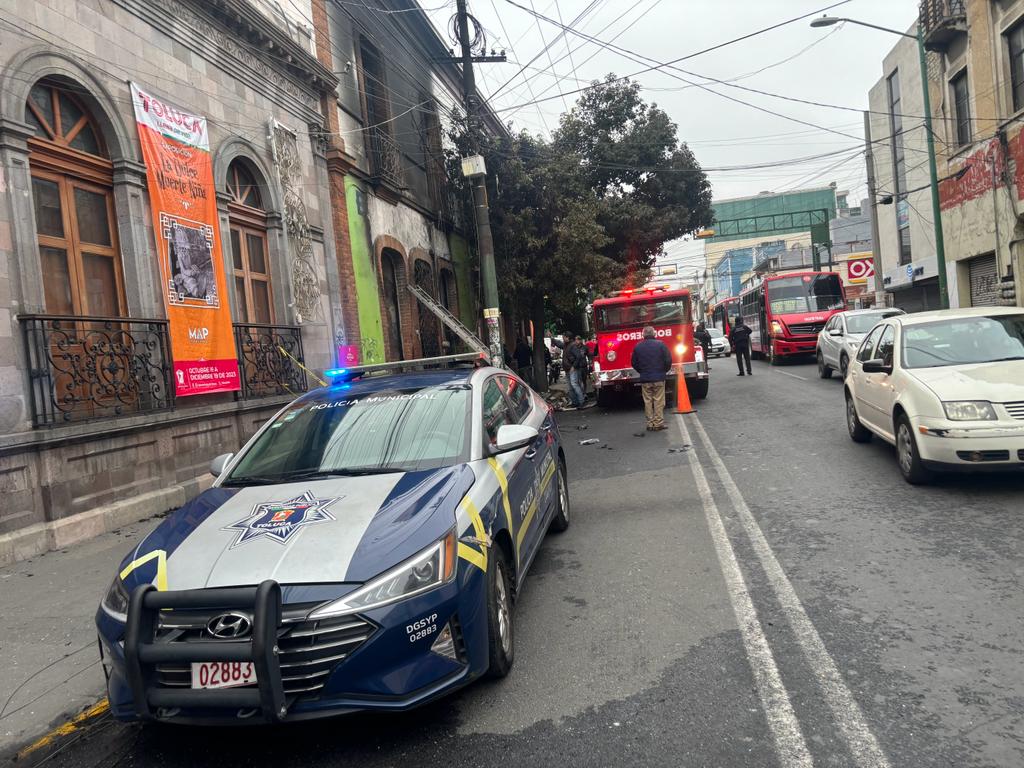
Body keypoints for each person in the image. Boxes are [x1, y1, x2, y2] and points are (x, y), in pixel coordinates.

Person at [630, 325, 672, 431]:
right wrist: (664, 370)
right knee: (658, 401)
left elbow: (634, 363)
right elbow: (668, 360)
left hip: (645, 378)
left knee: (647, 401)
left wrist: (642, 371)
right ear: (654, 333)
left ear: (643, 334)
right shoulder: (661, 345)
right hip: (659, 377)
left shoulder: (638, 346)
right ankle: (658, 423)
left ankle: (650, 423)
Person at [565, 336, 588, 409]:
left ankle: (582, 399)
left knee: (578, 383)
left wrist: (574, 366)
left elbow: (579, 356)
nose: (577, 341)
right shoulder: (570, 346)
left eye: (578, 340)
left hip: (579, 367)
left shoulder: (577, 347)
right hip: (575, 367)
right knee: (576, 384)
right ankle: (578, 401)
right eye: (576, 340)